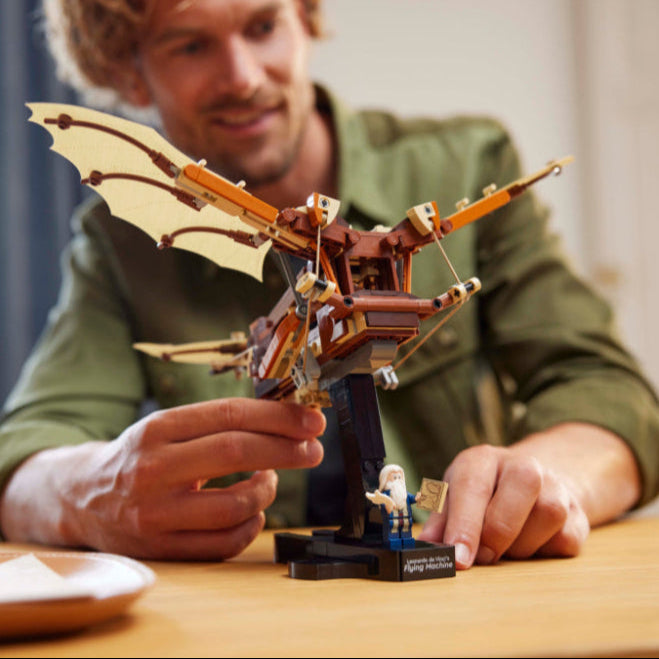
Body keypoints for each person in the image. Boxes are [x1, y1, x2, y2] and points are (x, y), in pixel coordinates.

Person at [1, 0, 657, 569]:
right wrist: (87, 489)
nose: (243, 77)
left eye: (263, 26)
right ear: (126, 69)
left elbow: (607, 391)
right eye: (190, 46)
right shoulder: (122, 245)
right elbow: (29, 448)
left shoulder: (462, 164)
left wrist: (544, 479)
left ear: (306, 16)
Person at [366, 464, 420, 550]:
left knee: (406, 532)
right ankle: (393, 545)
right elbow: (384, 506)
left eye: (399, 477)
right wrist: (388, 505)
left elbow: (412, 499)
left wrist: (417, 498)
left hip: (406, 519)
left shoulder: (404, 494)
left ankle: (407, 543)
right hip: (392, 520)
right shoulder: (385, 496)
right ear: (385, 479)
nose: (397, 480)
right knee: (393, 533)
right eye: (394, 477)